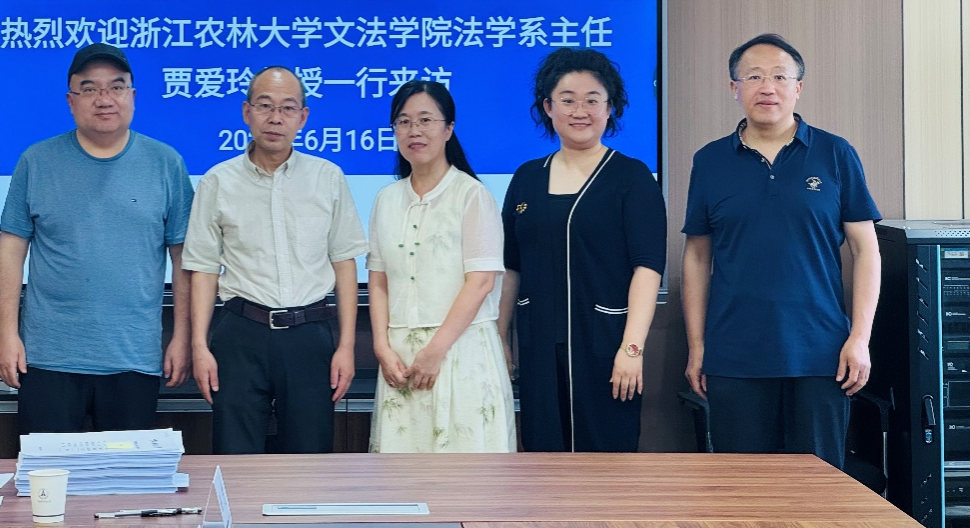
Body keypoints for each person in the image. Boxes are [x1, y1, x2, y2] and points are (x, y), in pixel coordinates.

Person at [682, 33, 881, 469]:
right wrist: (697, 346)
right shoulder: (710, 161)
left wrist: (860, 339)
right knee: (741, 486)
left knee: (818, 485)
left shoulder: (834, 153)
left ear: (798, 87)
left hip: (821, 354)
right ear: (734, 88)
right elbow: (696, 256)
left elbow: (866, 250)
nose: (767, 87)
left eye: (779, 76)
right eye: (753, 77)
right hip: (734, 354)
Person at [0, 42, 194, 434]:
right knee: (47, 470)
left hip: (133, 357)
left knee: (127, 473)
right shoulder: (37, 161)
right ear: (71, 100)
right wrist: (6, 335)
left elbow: (184, 257)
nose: (105, 99)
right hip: (48, 357)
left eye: (116, 87)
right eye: (89, 88)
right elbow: (11, 250)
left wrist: (182, 337)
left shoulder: (166, 163)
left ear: (132, 96)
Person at [184, 65, 367, 453]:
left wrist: (346, 346)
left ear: (303, 117)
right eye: (265, 105)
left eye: (287, 108)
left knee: (310, 461)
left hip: (309, 334)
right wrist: (200, 346)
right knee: (235, 457)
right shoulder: (217, 181)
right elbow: (203, 268)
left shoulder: (327, 177)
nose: (275, 118)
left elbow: (345, 263)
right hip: (240, 333)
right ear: (246, 112)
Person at [497, 48, 666, 452]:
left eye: (592, 100)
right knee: (543, 457)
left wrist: (632, 349)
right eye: (568, 100)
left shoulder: (631, 177)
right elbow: (510, 267)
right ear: (548, 107)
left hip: (606, 344)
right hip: (538, 344)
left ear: (610, 108)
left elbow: (647, 267)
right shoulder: (526, 178)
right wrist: (500, 338)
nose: (580, 111)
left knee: (606, 460)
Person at [367, 80, 515, 453]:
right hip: (399, 359)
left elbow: (480, 282)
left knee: (465, 469)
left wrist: (435, 351)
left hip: (460, 352)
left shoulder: (472, 195)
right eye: (403, 122)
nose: (414, 131)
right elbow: (379, 279)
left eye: (425, 120)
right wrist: (381, 346)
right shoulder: (386, 199)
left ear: (448, 129)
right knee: (401, 472)